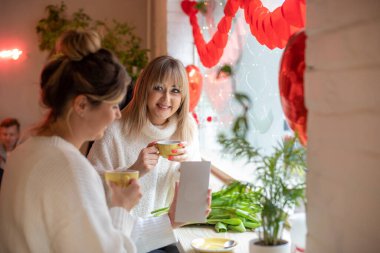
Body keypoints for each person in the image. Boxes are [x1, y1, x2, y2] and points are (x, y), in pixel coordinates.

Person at [0, 30, 198, 253]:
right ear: (82, 105)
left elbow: (96, 234)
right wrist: (121, 207)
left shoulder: (24, 151)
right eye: (113, 105)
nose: (117, 115)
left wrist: (170, 220)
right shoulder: (69, 168)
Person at [88, 55, 202, 219]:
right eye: (158, 88)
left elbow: (193, 201)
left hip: (166, 231)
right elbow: (91, 188)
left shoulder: (187, 128)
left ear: (183, 97)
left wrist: (188, 166)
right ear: (144, 89)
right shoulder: (115, 130)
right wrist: (134, 171)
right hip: (125, 233)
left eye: (175, 91)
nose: (166, 99)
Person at [0, 117, 21, 186]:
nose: (8, 138)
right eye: (5, 134)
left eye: (11, 134)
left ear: (18, 135)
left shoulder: (23, 153)